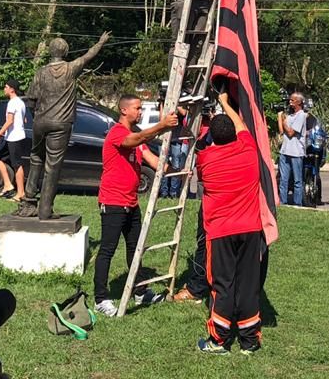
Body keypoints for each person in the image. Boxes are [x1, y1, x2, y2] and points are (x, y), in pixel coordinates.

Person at [92, 95, 179, 317]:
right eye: (137, 108)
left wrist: (178, 172)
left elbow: (153, 159)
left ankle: (140, 291)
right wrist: (161, 125)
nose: (140, 112)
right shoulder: (117, 134)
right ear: (124, 111)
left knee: (136, 248)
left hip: (131, 202)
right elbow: (136, 139)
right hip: (112, 202)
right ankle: (100, 299)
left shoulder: (137, 141)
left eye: (141, 108)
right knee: (108, 250)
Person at [195, 90, 266, 355]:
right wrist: (226, 101)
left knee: (222, 284)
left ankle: (220, 340)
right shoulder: (249, 150)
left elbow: (201, 171)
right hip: (250, 229)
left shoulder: (206, 160)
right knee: (248, 283)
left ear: (212, 137)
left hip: (221, 231)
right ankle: (249, 341)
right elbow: (242, 126)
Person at [18, 33, 110, 220]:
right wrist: (100, 42)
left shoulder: (41, 72)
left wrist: (38, 115)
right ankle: (45, 209)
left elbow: (31, 100)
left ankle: (28, 202)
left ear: (50, 52)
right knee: (53, 166)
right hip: (61, 123)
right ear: (66, 52)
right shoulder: (70, 69)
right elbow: (88, 56)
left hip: (40, 122)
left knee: (36, 158)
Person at [0, 79, 28, 200]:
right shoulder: (21, 103)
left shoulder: (12, 103)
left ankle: (21, 193)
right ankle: (7, 185)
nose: (4, 89)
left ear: (12, 89)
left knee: (17, 165)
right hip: (11, 137)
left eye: (6, 87)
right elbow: (25, 120)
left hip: (15, 138)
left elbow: (10, 121)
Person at [277, 93, 307, 206]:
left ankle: (297, 203)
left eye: (292, 100)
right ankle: (283, 202)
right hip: (285, 151)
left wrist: (284, 120)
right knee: (283, 180)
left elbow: (290, 133)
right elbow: (282, 130)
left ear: (299, 102)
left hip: (296, 152)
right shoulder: (290, 116)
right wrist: (280, 118)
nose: (290, 102)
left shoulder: (301, 116)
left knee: (297, 180)